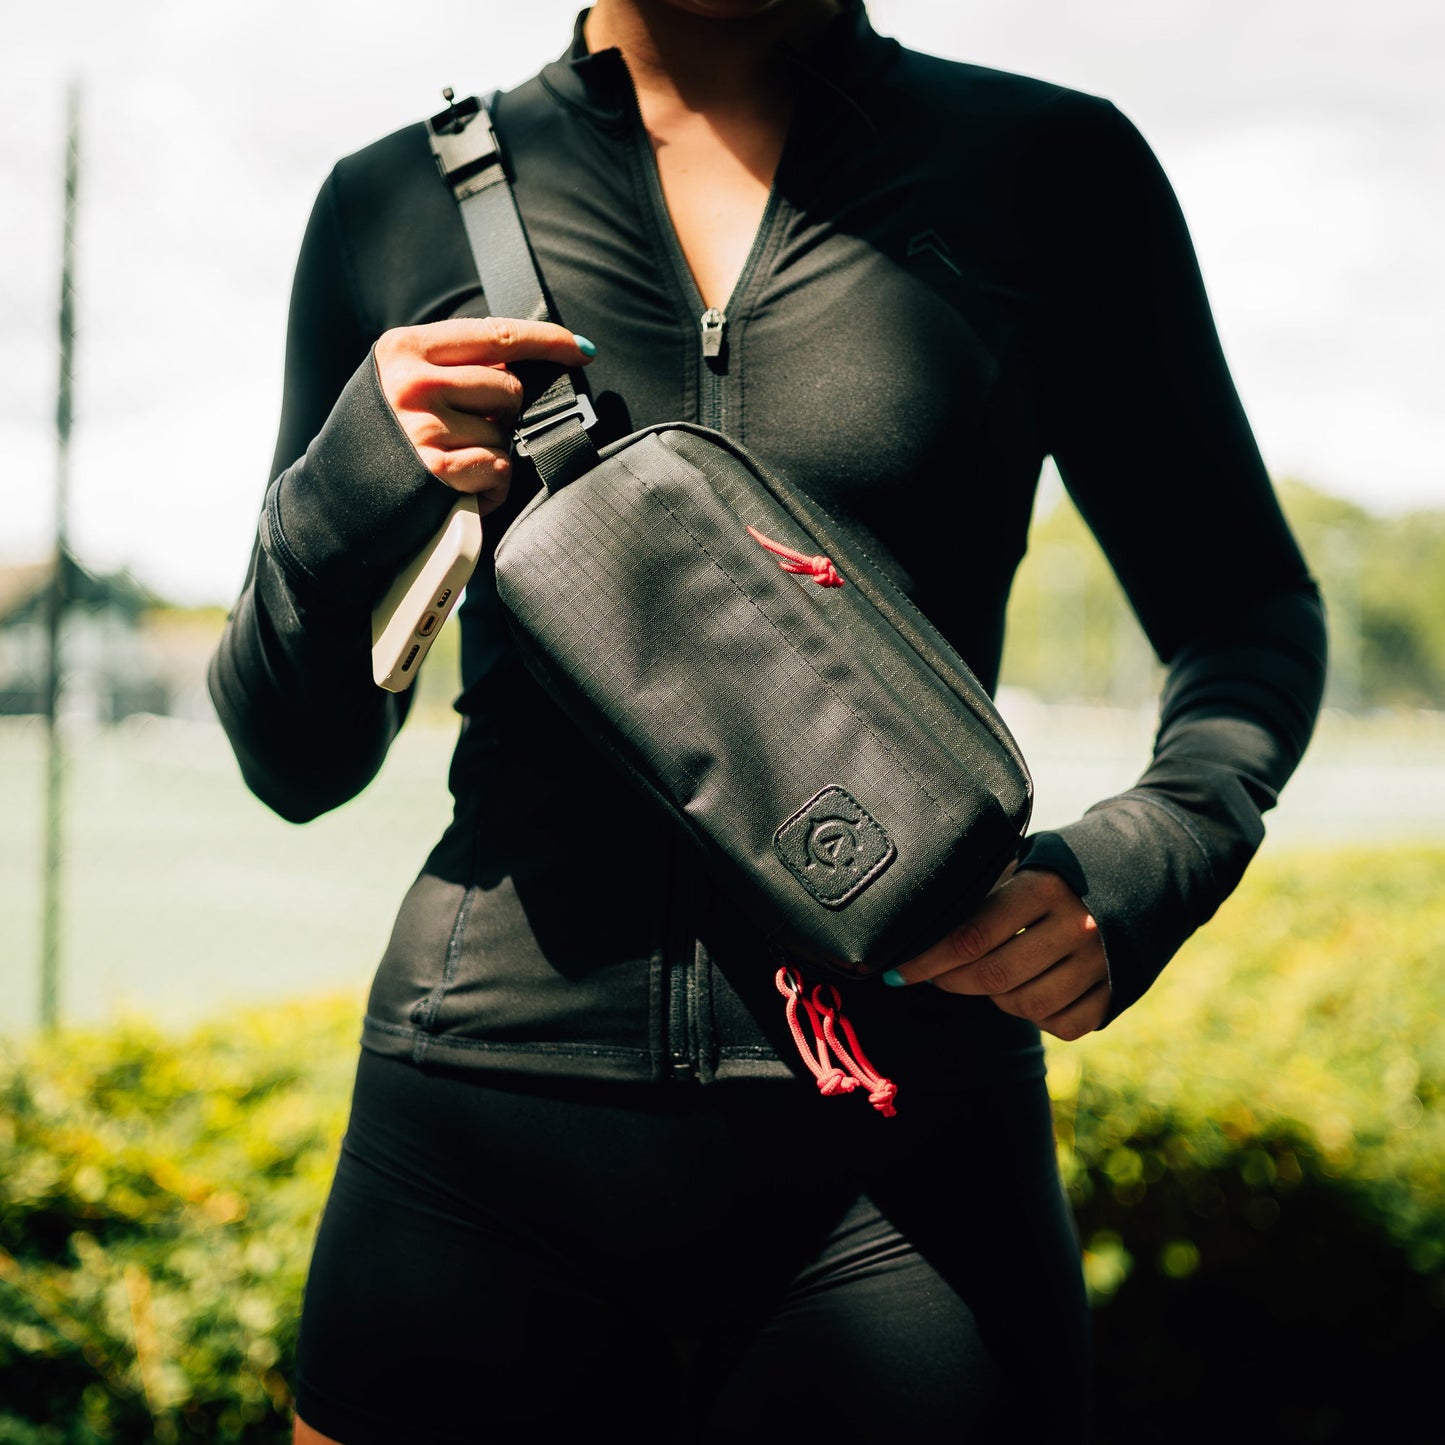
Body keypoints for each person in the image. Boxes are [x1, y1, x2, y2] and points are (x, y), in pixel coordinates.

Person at [208, 1, 1328, 1440]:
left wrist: (1152, 853)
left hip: (911, 1159)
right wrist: (348, 482)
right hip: (474, 1146)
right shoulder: (393, 201)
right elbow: (294, 763)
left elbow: (1245, 608)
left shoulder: (1049, 169)